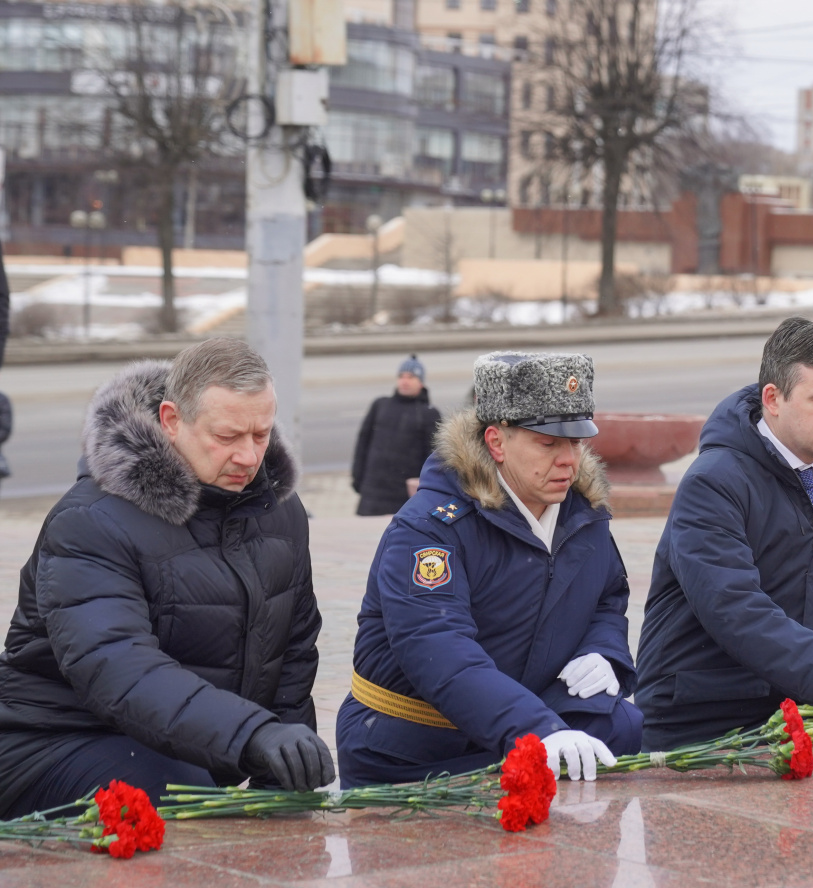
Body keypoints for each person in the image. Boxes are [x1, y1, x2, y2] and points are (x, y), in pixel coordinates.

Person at [0, 339, 331, 817]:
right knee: (182, 797)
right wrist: (252, 734)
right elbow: (118, 667)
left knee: (218, 801)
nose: (248, 456)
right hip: (55, 740)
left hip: (188, 746)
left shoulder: (278, 511)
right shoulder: (92, 520)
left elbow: (292, 649)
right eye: (227, 436)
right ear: (172, 421)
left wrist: (281, 771)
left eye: (261, 435)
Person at [336, 351, 642, 787]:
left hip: (518, 716)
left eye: (575, 442)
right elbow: (437, 647)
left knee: (623, 726)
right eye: (548, 442)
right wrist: (538, 728)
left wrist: (604, 650)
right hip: (418, 745)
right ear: (496, 442)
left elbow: (607, 595)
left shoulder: (581, 514)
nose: (568, 460)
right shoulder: (431, 527)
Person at [634, 318, 813, 750]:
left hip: (791, 692)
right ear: (773, 398)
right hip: (705, 705)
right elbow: (738, 612)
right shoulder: (713, 483)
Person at [351, 354, 443, 516]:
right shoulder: (380, 405)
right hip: (372, 492)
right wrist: (357, 477)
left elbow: (434, 455)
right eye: (401, 376)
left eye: (411, 377)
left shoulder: (429, 413)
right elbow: (363, 443)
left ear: (421, 382)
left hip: (405, 496)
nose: (405, 381)